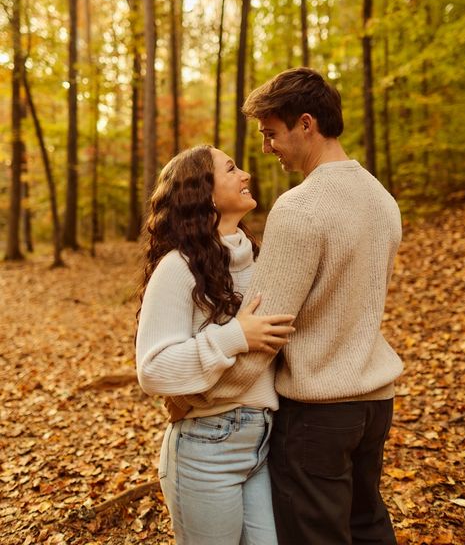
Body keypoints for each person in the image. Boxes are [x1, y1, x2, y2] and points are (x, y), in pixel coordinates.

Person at [196, 67, 403, 543]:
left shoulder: (299, 208)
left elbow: (265, 329)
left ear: (305, 124)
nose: (267, 148)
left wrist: (205, 397)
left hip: (318, 413)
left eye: (271, 134)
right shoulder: (382, 199)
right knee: (368, 524)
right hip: (374, 404)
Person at [135, 144, 295, 545]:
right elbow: (152, 369)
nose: (246, 175)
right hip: (205, 448)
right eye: (232, 169)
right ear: (205, 193)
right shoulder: (178, 267)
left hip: (261, 443)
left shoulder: (259, 259)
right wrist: (234, 337)